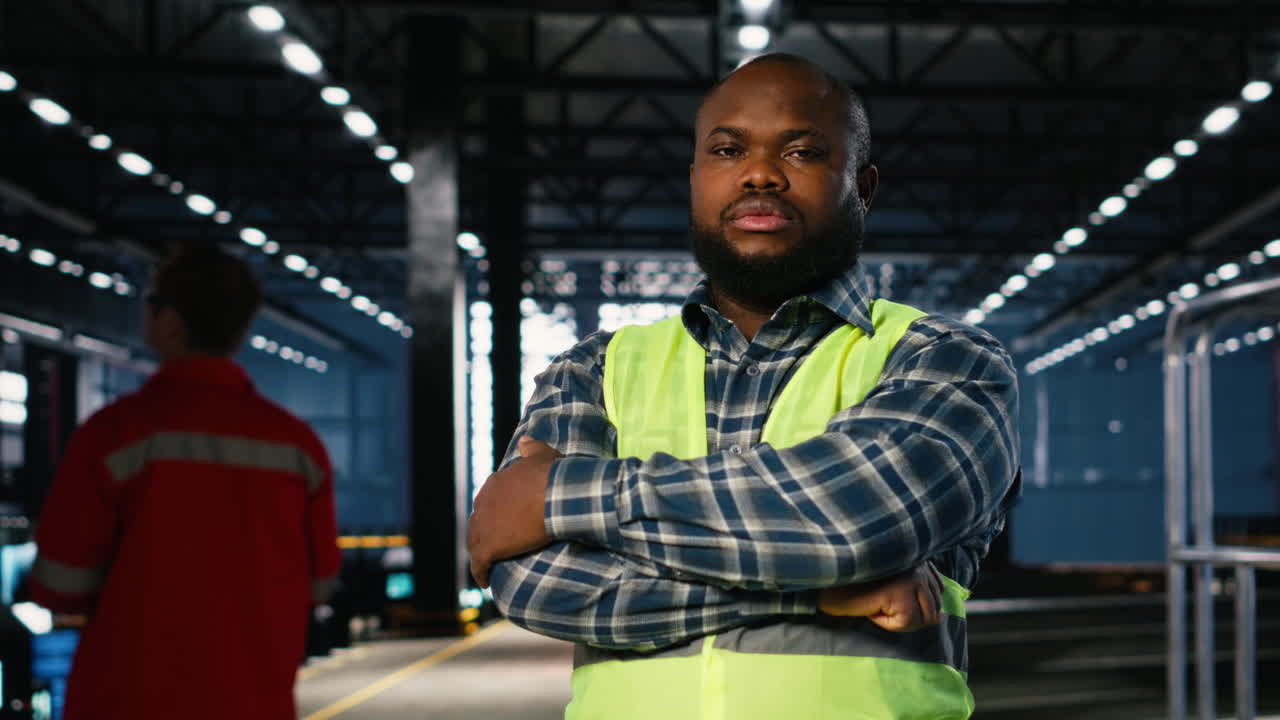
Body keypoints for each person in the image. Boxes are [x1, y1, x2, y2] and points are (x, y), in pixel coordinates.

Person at [468, 52, 1020, 720]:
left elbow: (852, 524)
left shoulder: (946, 361)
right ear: (697, 178)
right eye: (728, 150)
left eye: (804, 152)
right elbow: (531, 583)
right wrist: (813, 595)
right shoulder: (595, 369)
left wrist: (557, 494)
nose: (760, 173)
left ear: (864, 187)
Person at [30, 246, 341, 720]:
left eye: (151, 303)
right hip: (254, 701)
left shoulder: (113, 435)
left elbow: (58, 585)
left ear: (170, 322)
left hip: (127, 701)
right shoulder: (298, 447)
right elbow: (321, 583)